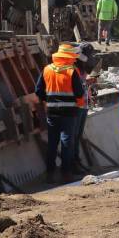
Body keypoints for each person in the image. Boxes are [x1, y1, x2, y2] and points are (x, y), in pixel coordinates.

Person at [35, 43, 85, 183]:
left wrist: (49, 99)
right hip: (69, 113)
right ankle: (66, 174)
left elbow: (38, 91)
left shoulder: (47, 69)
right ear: (67, 57)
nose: (74, 59)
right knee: (67, 143)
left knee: (52, 143)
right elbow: (79, 93)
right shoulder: (71, 71)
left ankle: (50, 174)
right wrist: (78, 103)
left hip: (52, 112)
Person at [72, 42, 97, 173]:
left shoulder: (82, 69)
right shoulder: (74, 69)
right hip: (76, 107)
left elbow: (82, 84)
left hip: (83, 105)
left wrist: (89, 82)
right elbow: (76, 88)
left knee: (77, 135)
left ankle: (76, 162)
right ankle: (74, 164)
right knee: (73, 136)